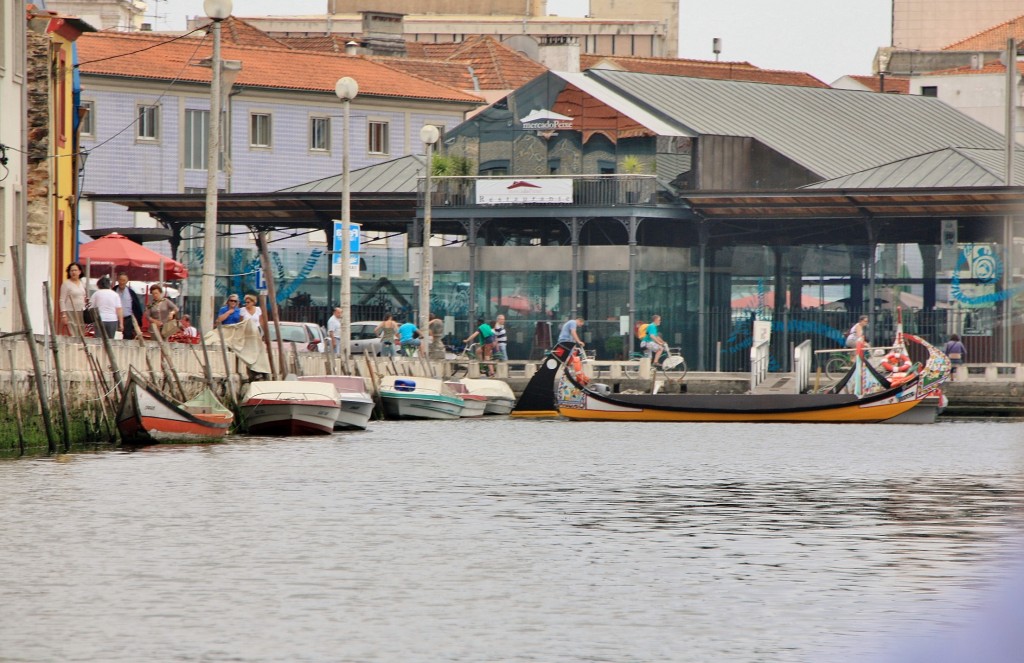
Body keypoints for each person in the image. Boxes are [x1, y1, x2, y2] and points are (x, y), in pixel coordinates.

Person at [59, 262, 88, 336]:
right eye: (71, 270)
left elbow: (83, 296)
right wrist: (64, 314)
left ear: (79, 272)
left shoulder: (82, 283)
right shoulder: (66, 284)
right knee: (72, 333)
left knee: (81, 333)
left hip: (81, 312)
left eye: (75, 270)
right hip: (70, 312)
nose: (73, 272)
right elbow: (62, 300)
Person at [113, 272, 144, 339]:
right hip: (114, 319)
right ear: (118, 280)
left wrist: (138, 321)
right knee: (114, 338)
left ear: (127, 281)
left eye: (124, 280)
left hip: (128, 320)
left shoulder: (131, 293)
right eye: (120, 280)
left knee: (128, 338)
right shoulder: (113, 291)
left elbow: (137, 308)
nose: (122, 282)